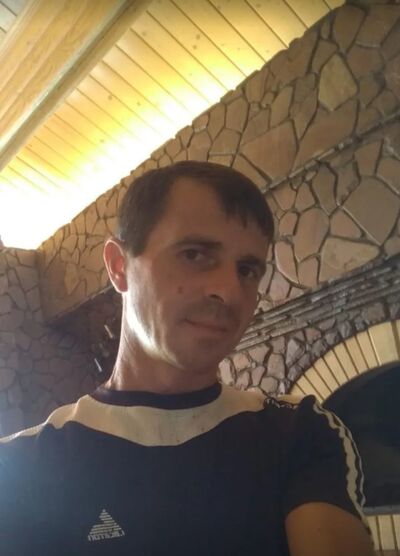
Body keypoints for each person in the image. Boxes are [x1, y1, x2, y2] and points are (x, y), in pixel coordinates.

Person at [0, 161, 374, 555]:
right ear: (119, 267)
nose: (228, 291)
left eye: (247, 270)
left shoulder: (299, 431)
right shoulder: (21, 469)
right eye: (195, 255)